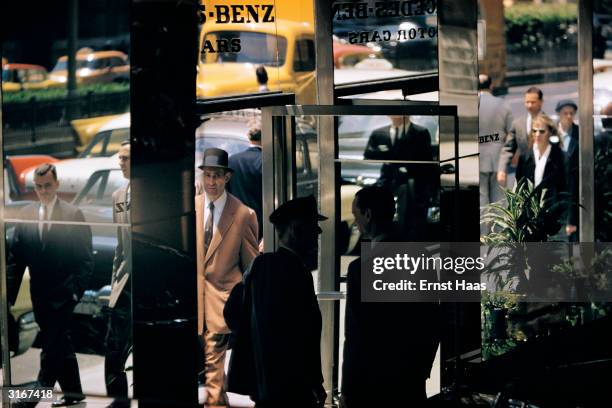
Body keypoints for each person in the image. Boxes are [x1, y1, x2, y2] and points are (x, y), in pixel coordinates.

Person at [340, 186, 440, 407]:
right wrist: (422, 368)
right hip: (409, 379)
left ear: (368, 214)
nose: (355, 223)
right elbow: (432, 319)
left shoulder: (360, 269)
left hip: (372, 382)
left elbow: (355, 336)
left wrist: (347, 388)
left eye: (356, 216)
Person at [225, 195, 326, 408]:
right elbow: (306, 335)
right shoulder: (298, 273)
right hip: (294, 388)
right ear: (295, 230)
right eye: (312, 227)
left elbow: (232, 312)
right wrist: (315, 382)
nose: (317, 233)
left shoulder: (259, 266)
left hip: (265, 388)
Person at [7, 163, 93, 407]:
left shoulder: (72, 215)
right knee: (60, 343)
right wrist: (9, 297)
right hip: (40, 295)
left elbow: (85, 260)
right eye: (39, 187)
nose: (43, 191)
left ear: (56, 184)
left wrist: (76, 292)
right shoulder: (26, 214)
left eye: (47, 186)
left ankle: (32, 398)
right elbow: (16, 260)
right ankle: (74, 394)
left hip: (65, 295)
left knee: (51, 346)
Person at [196, 148, 259, 408]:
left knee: (213, 362)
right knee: (208, 368)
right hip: (192, 303)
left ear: (227, 178)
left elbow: (251, 266)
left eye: (217, 176)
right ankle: (217, 401)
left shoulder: (243, 215)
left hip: (221, 302)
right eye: (207, 176)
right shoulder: (192, 207)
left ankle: (215, 404)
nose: (211, 182)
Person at [364, 115, 435, 239]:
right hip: (387, 179)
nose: (396, 116)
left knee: (408, 214)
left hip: (410, 181)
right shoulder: (379, 133)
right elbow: (368, 154)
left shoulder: (420, 132)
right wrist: (384, 155)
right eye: (393, 113)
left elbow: (427, 159)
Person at [104, 141, 132, 408]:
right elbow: (119, 245)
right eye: (120, 158)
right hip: (125, 283)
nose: (120, 162)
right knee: (113, 347)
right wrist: (115, 281)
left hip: (152, 285)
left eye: (125, 158)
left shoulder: (155, 193)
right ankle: (118, 401)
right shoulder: (118, 195)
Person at [515, 113, 567, 237]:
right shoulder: (525, 156)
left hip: (552, 213)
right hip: (528, 216)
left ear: (550, 132)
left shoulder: (559, 156)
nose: (537, 134)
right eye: (534, 131)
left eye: (542, 131)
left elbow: (564, 187)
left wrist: (563, 215)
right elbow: (518, 185)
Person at [478, 74, 514, 234]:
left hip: (476, 158)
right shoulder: (503, 105)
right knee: (499, 202)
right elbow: (511, 132)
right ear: (491, 85)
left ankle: (483, 237)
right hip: (499, 158)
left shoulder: (472, 104)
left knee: (481, 201)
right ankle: (499, 238)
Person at [498, 87, 544, 188]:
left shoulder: (549, 124)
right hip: (523, 177)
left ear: (541, 102)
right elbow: (508, 148)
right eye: (527, 102)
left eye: (533, 102)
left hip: (545, 176)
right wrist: (502, 169)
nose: (529, 105)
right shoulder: (517, 124)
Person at [228, 118, 263, 239]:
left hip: (235, 222)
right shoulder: (264, 161)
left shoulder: (232, 160)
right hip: (260, 225)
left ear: (249, 137)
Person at [555, 99, 579, 241]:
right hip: (554, 189)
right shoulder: (550, 133)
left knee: (572, 235)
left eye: (572, 113)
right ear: (559, 114)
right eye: (565, 113)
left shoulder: (580, 134)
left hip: (572, 187)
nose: (569, 116)